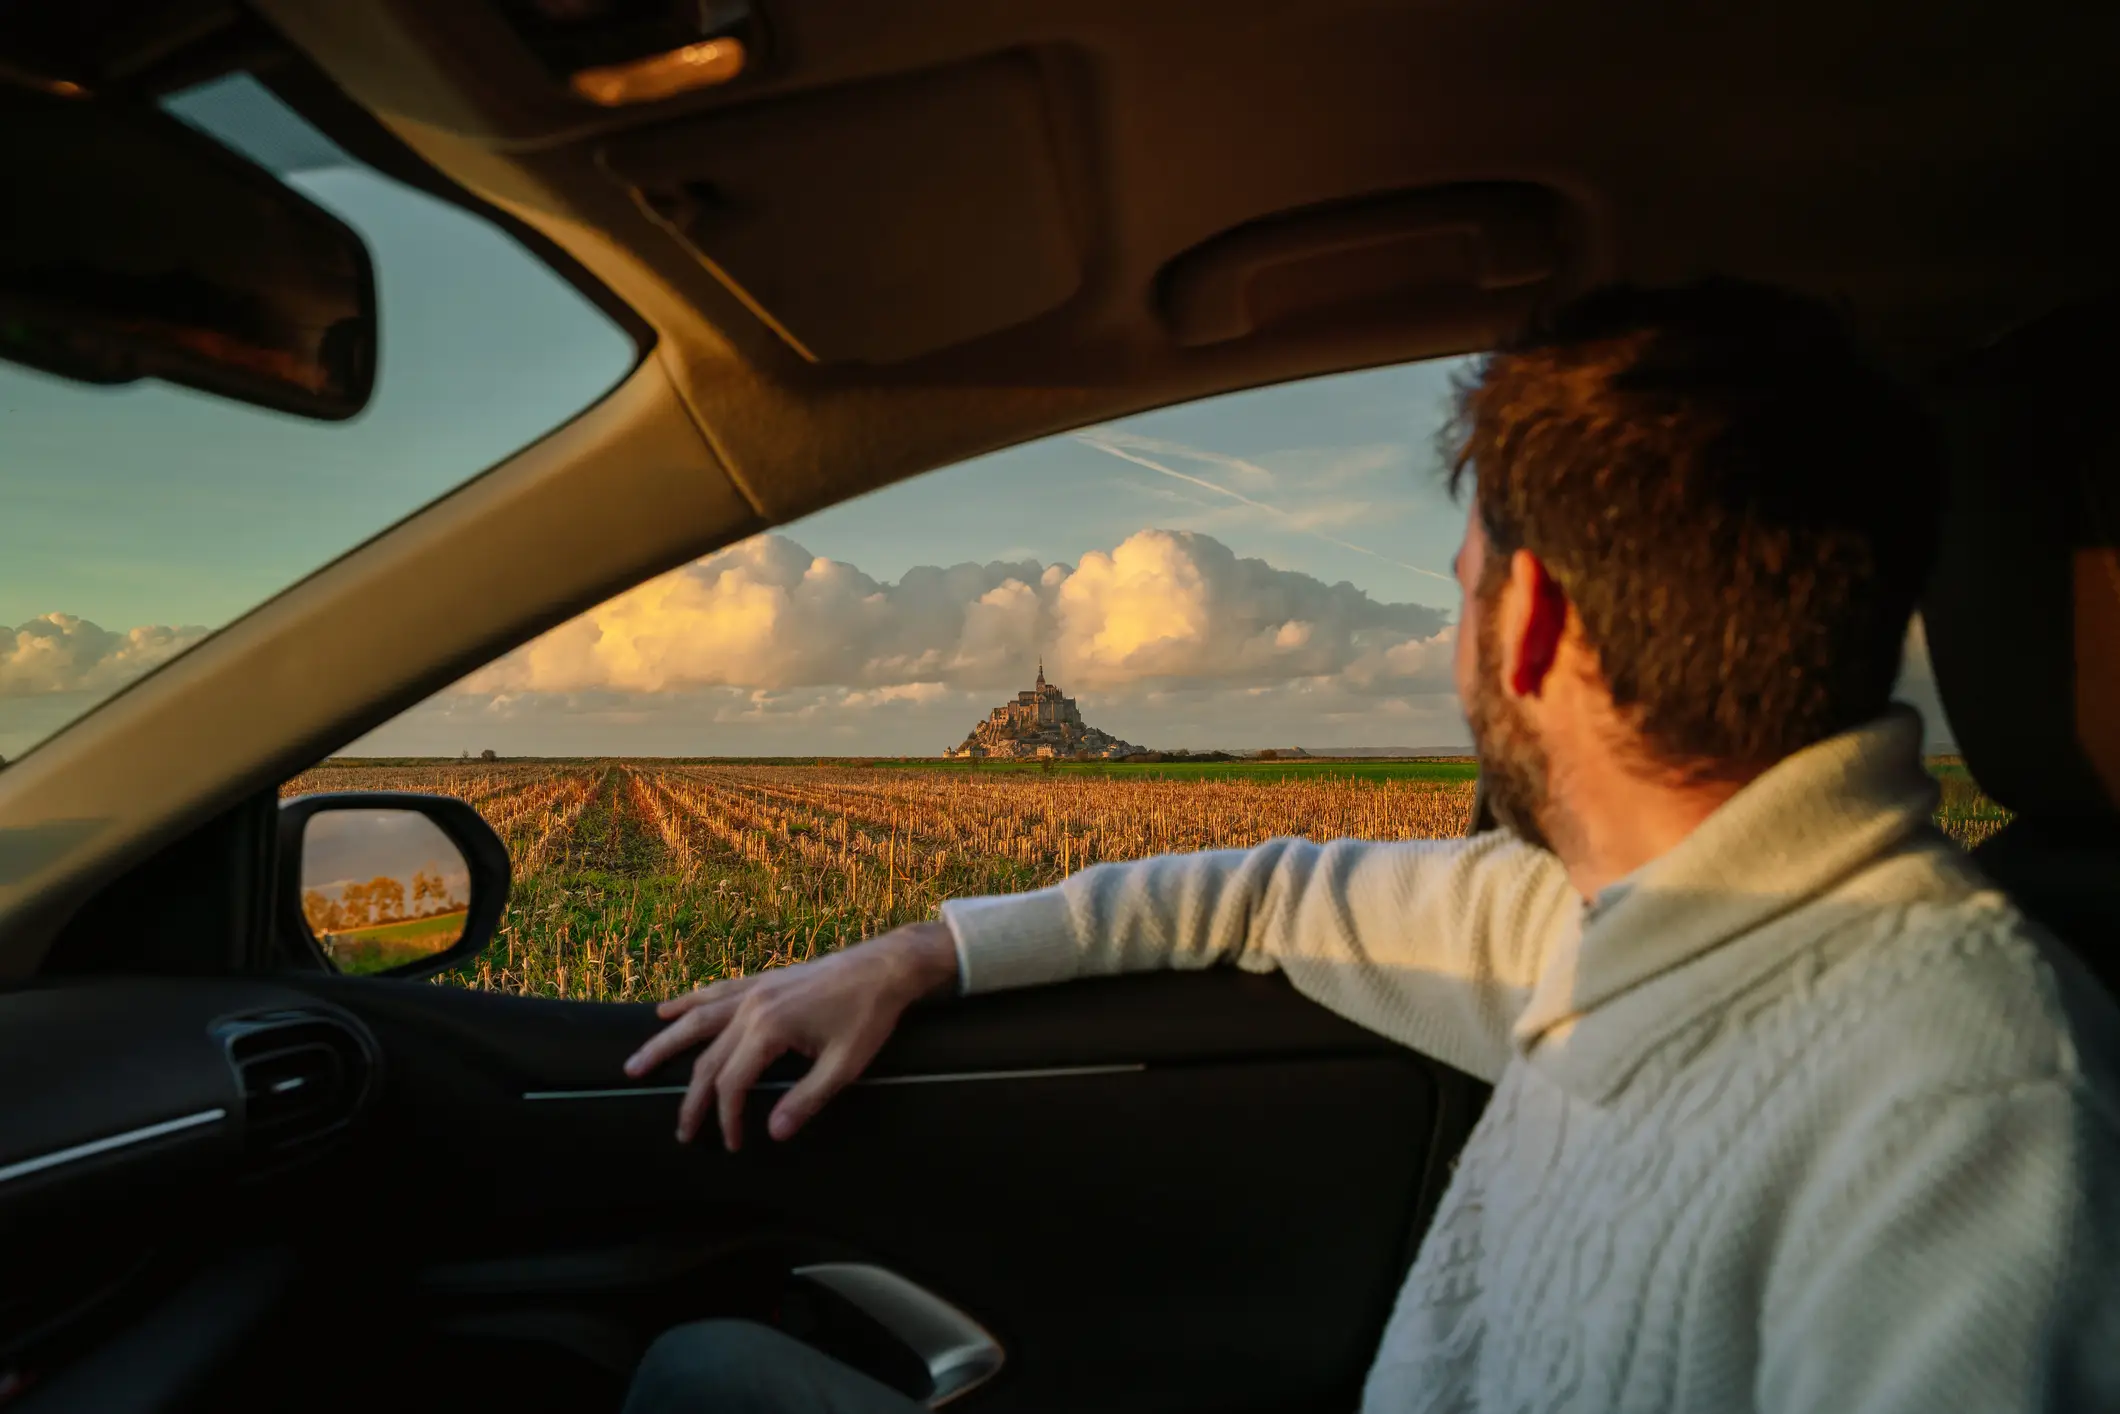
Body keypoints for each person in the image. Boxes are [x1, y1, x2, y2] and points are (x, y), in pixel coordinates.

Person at [618, 280, 2120, 1413]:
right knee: (710, 1370)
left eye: (1464, 590)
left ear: (1529, 625)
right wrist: (922, 950)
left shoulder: (1977, 1100)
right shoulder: (1599, 916)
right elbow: (1269, 886)